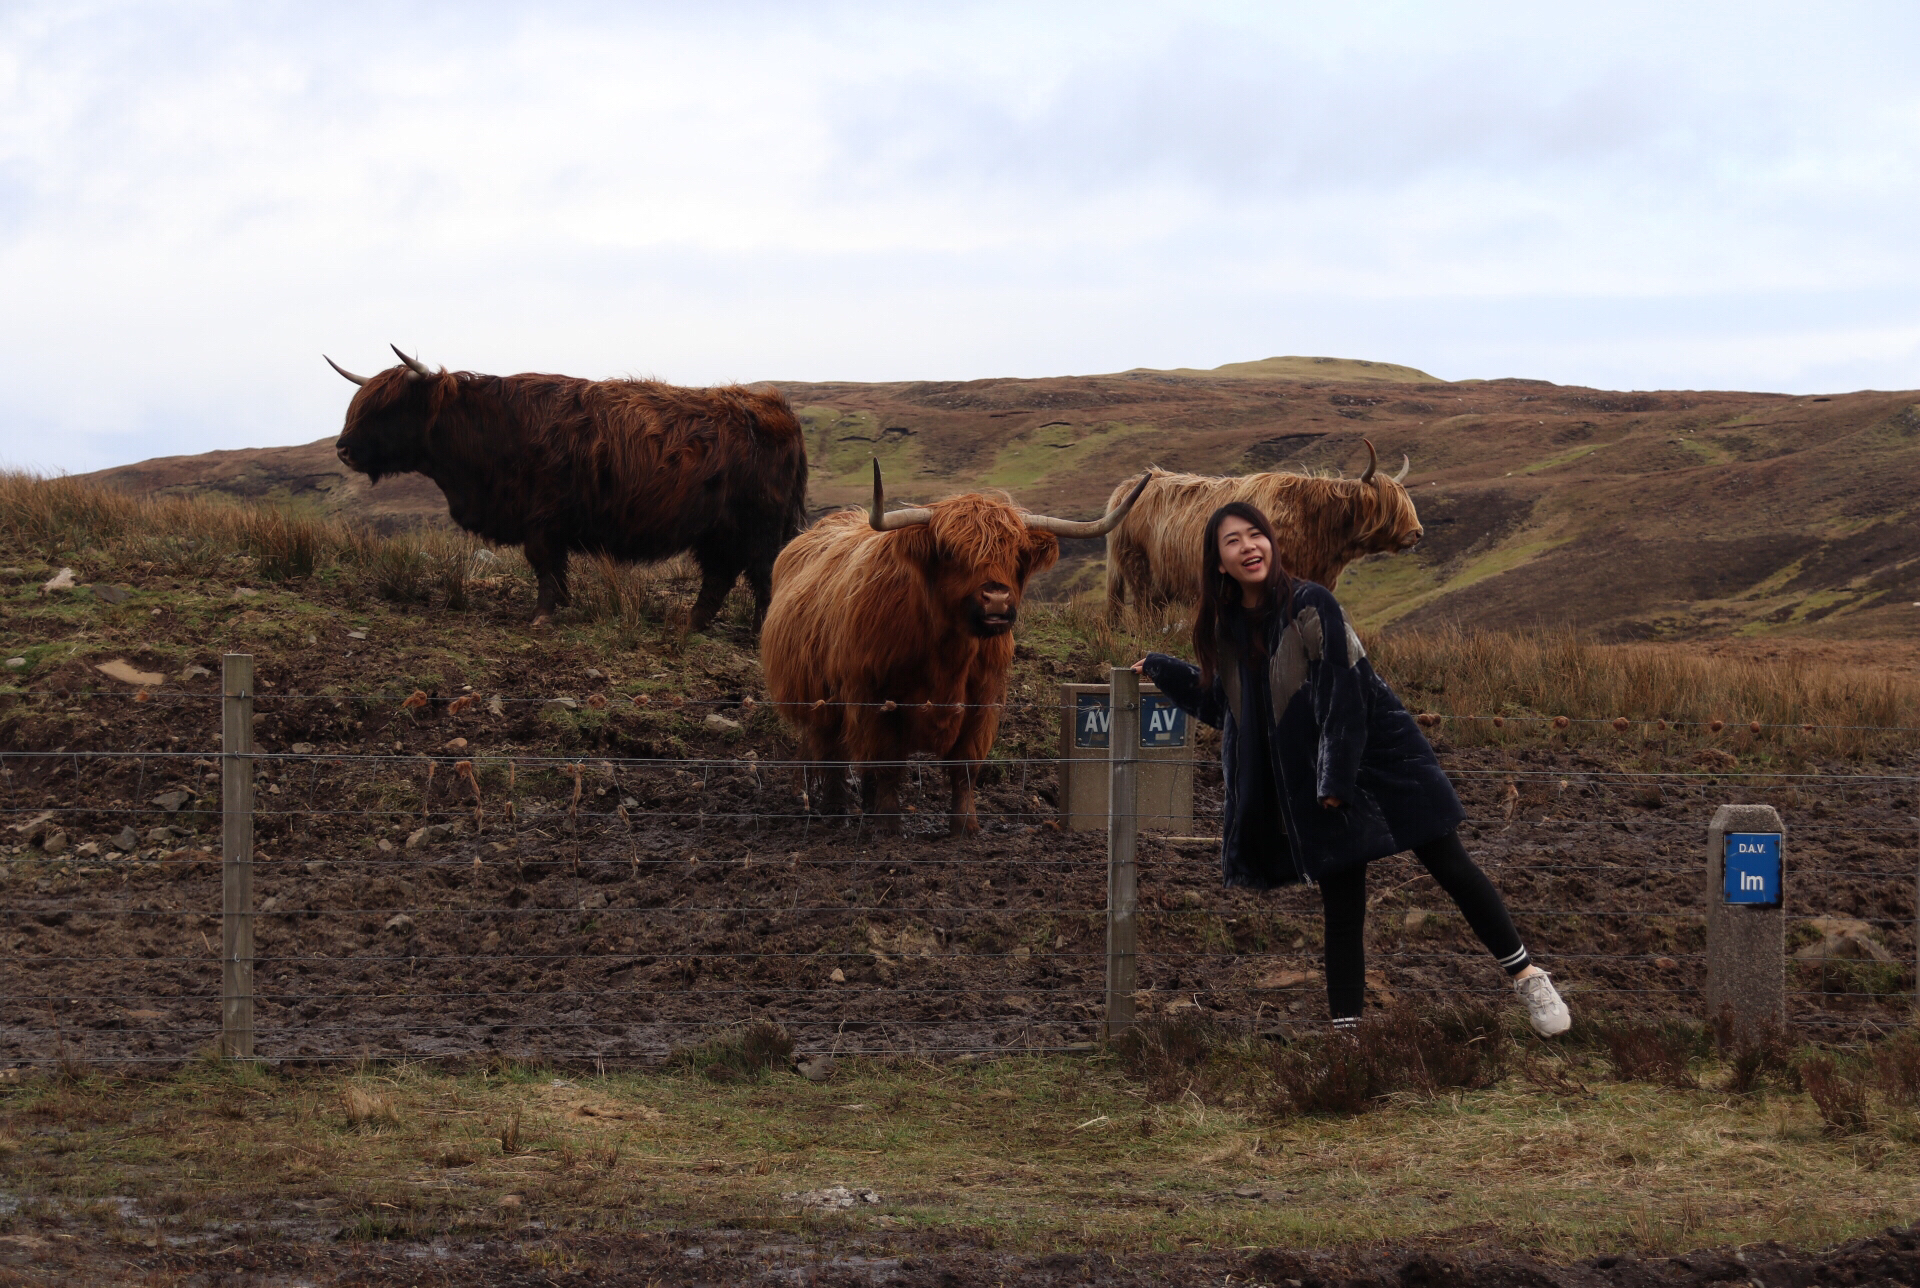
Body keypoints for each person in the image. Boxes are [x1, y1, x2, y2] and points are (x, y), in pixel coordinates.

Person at [1134, 501, 1570, 1036]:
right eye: (1233, 541)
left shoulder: (1311, 603)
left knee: (1451, 867)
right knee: (1342, 909)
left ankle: (1529, 978)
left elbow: (1344, 695)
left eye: (1256, 534)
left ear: (1271, 542)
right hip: (1318, 780)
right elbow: (1233, 712)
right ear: (1218, 562)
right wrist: (1165, 670)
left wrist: (1335, 780)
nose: (1249, 546)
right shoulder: (1227, 628)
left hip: (1381, 760)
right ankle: (1350, 1040)